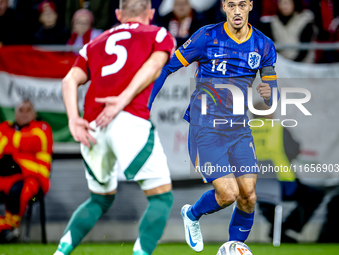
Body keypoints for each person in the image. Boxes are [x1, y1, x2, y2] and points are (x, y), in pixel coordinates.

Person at [149, 0, 279, 252]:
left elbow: (271, 91)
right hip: (205, 128)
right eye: (231, 5)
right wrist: (146, 107)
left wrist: (269, 93)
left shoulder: (263, 44)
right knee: (229, 194)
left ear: (250, 5)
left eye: (242, 4)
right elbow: (166, 68)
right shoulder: (207, 36)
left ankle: (233, 247)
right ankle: (192, 214)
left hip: (240, 129)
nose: (237, 10)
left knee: (249, 195)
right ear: (223, 7)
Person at [53, 0, 176, 254]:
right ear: (151, 14)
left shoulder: (94, 43)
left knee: (99, 199)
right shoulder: (158, 33)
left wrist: (73, 118)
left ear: (119, 14)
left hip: (93, 126)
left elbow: (69, 80)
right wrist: (122, 99)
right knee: (161, 197)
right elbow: (154, 65)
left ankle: (61, 251)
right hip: (128, 119)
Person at [251, 102, 325, 243]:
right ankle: (286, 228)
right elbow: (294, 151)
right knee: (314, 195)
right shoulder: (278, 129)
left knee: (266, 201)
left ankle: (278, 229)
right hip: (283, 184)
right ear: (268, 113)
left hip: (252, 186)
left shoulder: (244, 132)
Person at [0, 99, 53, 242]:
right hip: (7, 176)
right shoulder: (6, 127)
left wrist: (10, 142)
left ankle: (10, 228)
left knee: (19, 190)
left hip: (34, 179)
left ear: (34, 113)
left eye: (28, 110)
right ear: (14, 113)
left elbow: (32, 142)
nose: (24, 114)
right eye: (20, 110)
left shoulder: (42, 128)